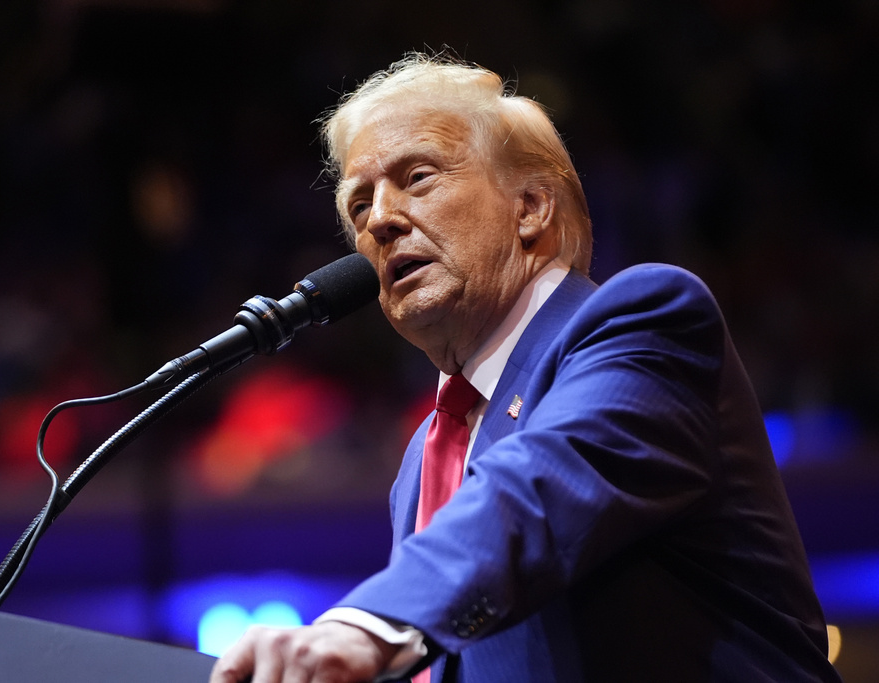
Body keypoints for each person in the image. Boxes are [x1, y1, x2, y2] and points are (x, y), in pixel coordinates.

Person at [209, 53, 841, 682]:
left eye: (419, 177)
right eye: (358, 205)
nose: (379, 219)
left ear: (531, 207)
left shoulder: (647, 320)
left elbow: (545, 484)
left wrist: (367, 623)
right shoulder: (421, 464)